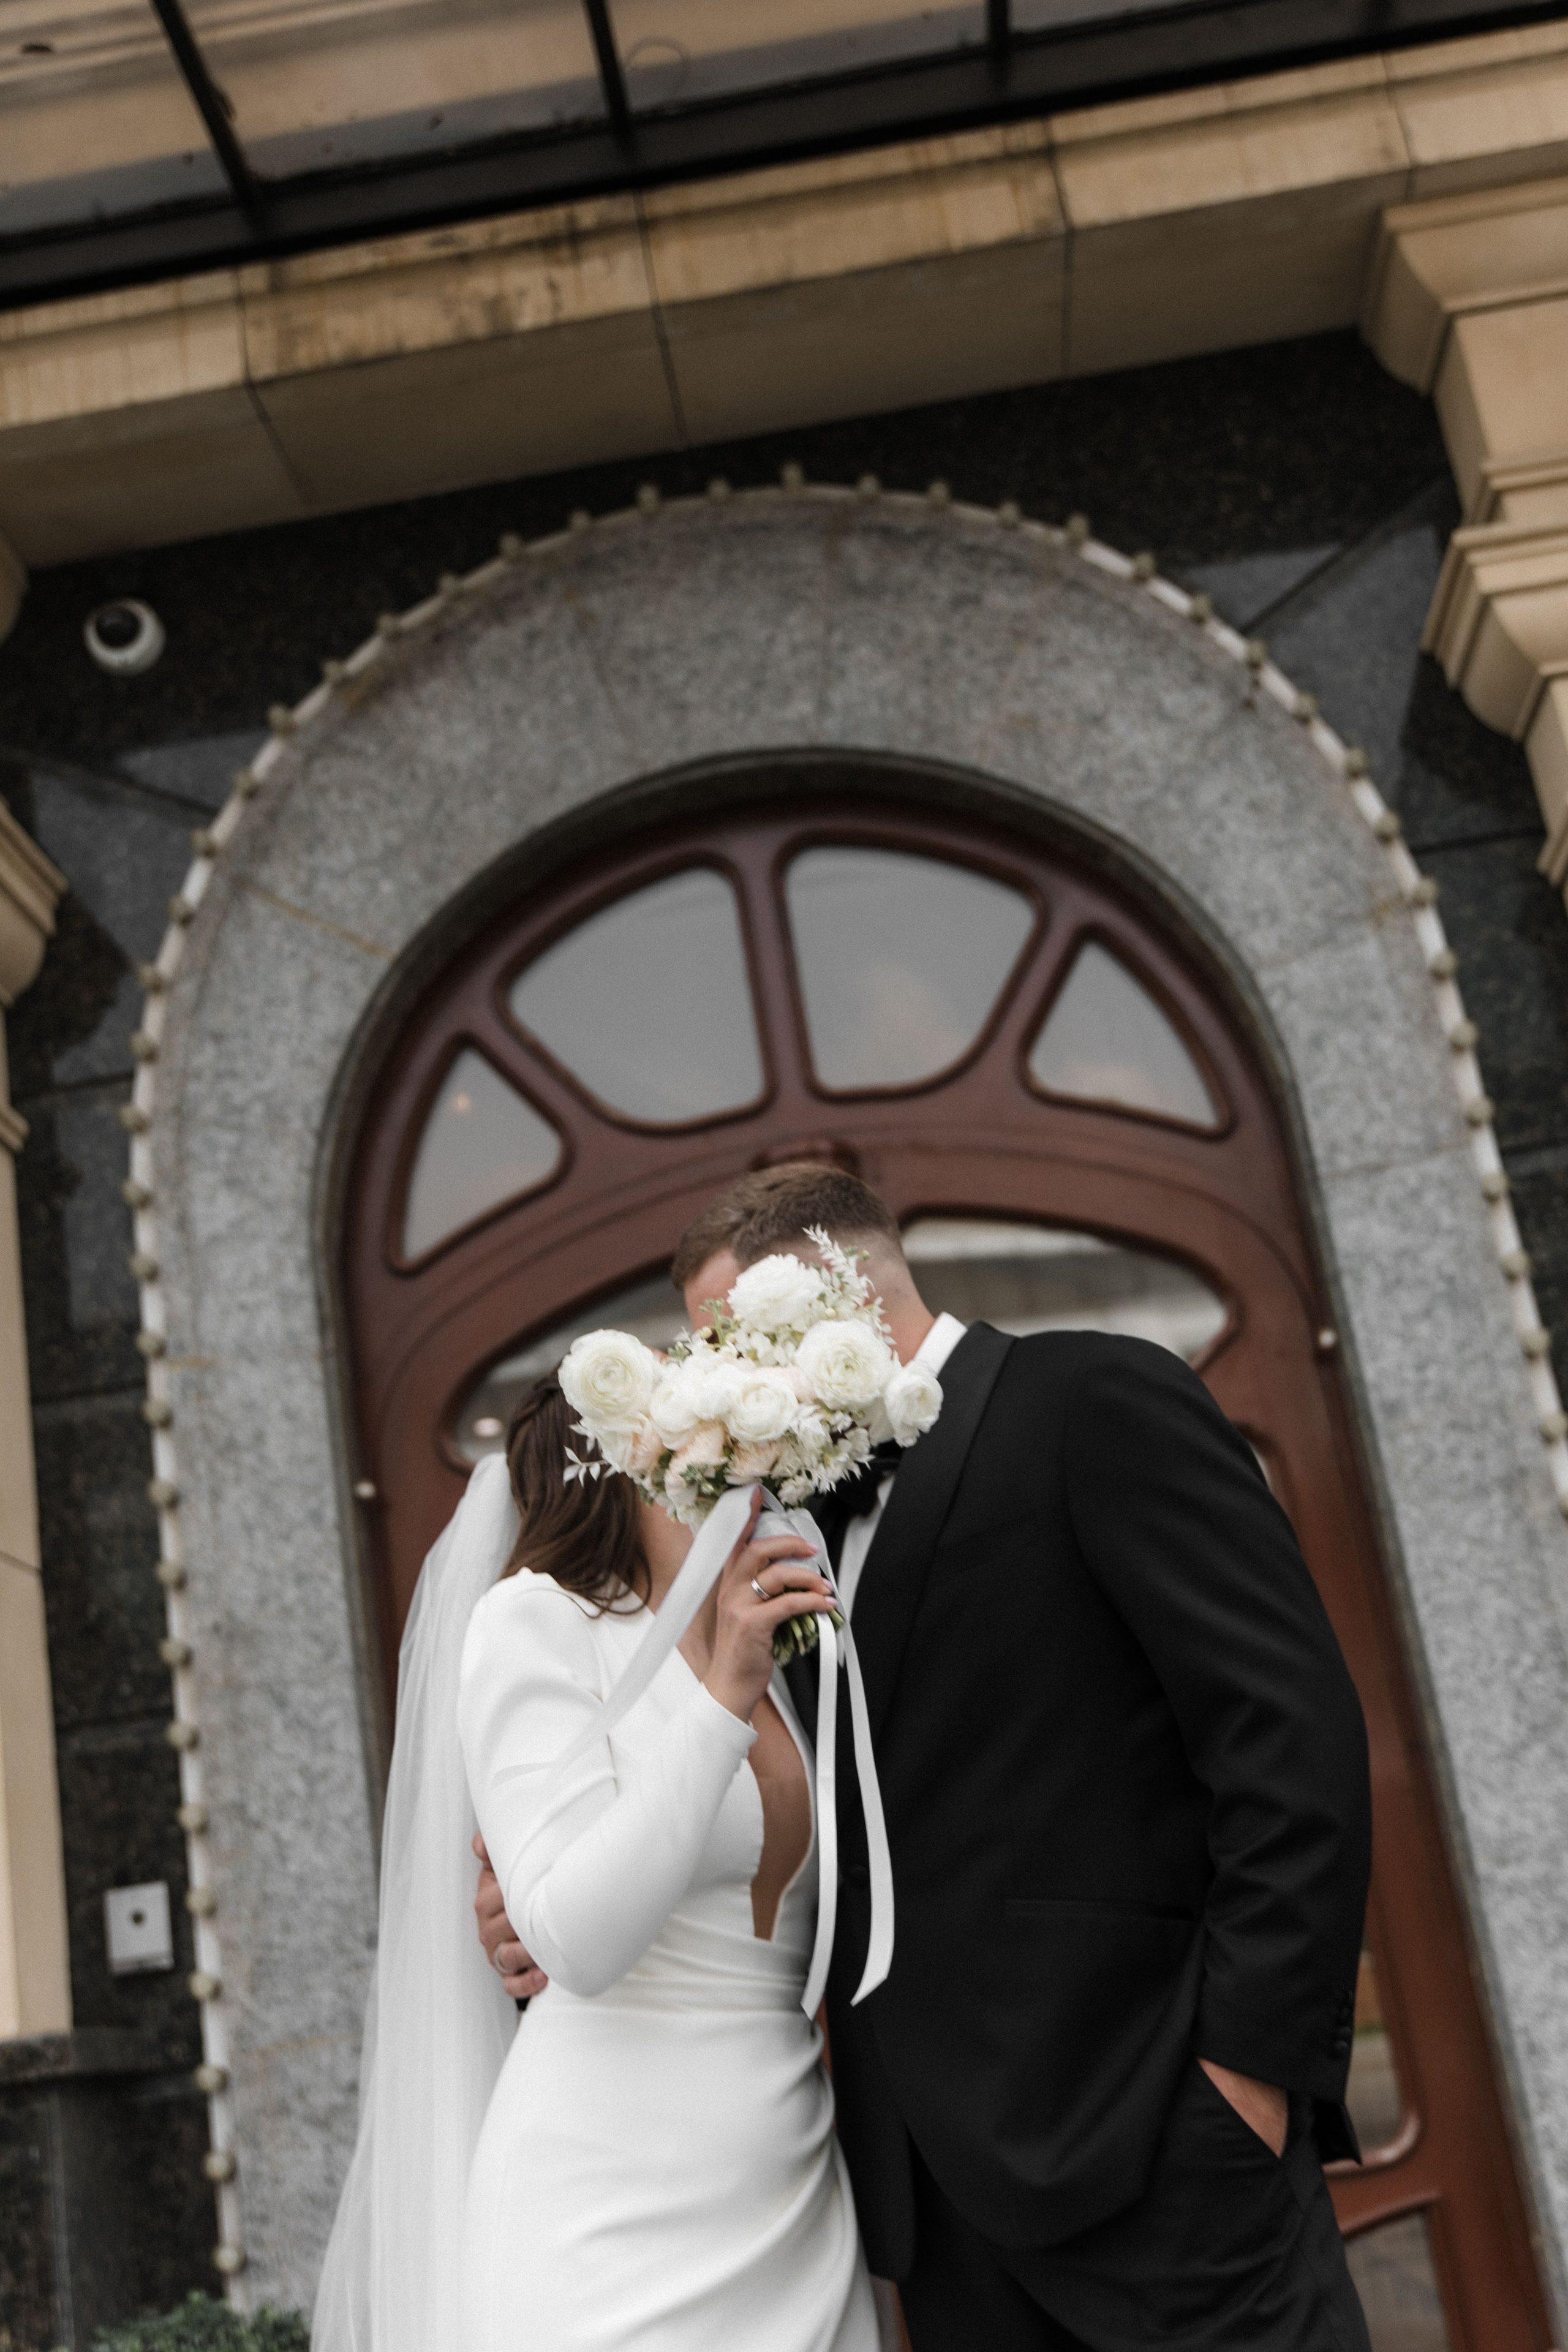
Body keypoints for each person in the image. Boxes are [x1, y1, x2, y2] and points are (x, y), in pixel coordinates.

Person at [479, 1163, 1374, 2351]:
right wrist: (531, 1901)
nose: (714, 1386)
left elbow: (1287, 1739)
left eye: (730, 1344)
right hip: (932, 2214)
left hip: (1157, 2142)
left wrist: (1248, 2079)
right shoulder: (781, 1530)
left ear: (839, 1297)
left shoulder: (1091, 1400)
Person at [318, 1372, 882, 2352]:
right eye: (705, 1445)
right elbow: (574, 1938)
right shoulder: (537, 1624)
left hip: (791, 2185)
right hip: (607, 2202)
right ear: (636, 1467)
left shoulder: (777, 1638)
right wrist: (718, 1701)